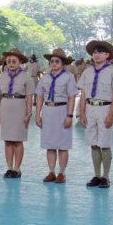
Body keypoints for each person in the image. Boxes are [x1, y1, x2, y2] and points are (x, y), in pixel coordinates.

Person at [78, 40, 113, 189]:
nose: (96, 55)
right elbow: (83, 94)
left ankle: (106, 176)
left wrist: (111, 115)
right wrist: (82, 113)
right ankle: (97, 175)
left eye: (100, 52)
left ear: (107, 55)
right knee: (93, 144)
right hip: (90, 108)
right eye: (94, 52)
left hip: (105, 108)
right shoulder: (87, 71)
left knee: (104, 144)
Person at [35, 49, 78, 183]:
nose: (53, 63)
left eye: (57, 61)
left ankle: (62, 173)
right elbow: (40, 97)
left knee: (63, 144)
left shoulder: (68, 77)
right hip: (48, 111)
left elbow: (71, 97)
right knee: (50, 144)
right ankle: (51, 172)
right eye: (52, 61)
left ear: (63, 63)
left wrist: (69, 115)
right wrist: (38, 115)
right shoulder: (45, 77)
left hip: (62, 111)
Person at [0, 49, 34, 179]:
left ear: (20, 62)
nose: (11, 63)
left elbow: (29, 97)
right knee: (7, 140)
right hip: (5, 108)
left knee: (17, 140)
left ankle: (17, 168)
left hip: (19, 108)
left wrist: (28, 113)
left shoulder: (26, 77)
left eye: (14, 61)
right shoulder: (1, 76)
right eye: (9, 61)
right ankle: (9, 168)